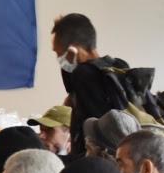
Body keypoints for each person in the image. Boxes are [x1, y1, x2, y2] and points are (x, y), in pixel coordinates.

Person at [52, 13, 128, 158]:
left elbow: (89, 132)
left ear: (73, 50)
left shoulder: (84, 75)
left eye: (59, 53)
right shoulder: (116, 67)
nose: (59, 60)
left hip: (95, 164)